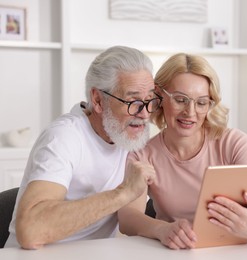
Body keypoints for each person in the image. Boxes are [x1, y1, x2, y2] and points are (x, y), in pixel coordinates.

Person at [118, 53, 247, 249]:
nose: (190, 112)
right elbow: (128, 218)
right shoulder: (142, 154)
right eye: (180, 100)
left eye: (201, 102)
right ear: (159, 97)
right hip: (175, 252)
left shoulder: (234, 144)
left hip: (232, 250)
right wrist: (162, 229)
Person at [4, 46, 161, 249]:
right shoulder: (63, 137)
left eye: (149, 101)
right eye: (133, 101)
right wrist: (123, 193)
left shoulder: (130, 138)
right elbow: (30, 232)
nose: (144, 114)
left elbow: (131, 222)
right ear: (97, 100)